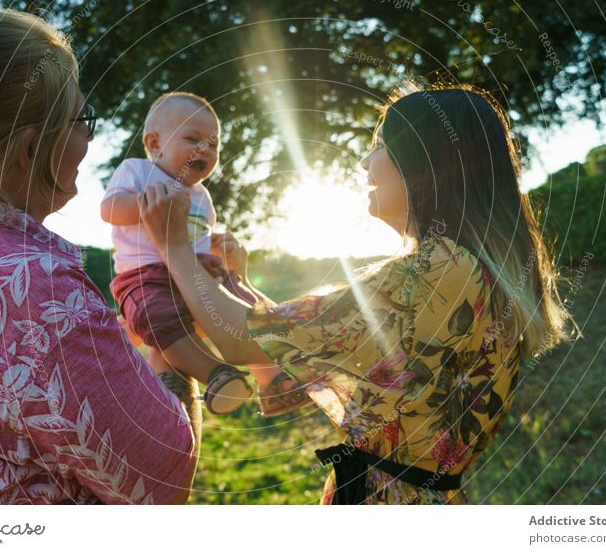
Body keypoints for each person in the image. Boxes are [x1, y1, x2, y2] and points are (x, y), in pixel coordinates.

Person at [137, 83, 574, 504]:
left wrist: (173, 245)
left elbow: (238, 340)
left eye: (380, 145)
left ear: (427, 161)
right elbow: (302, 335)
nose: (366, 162)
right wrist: (240, 282)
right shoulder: (473, 269)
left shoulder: (440, 271)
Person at [0, 9, 195, 504]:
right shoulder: (38, 290)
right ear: (30, 149)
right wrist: (173, 334)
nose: (90, 137)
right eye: (82, 118)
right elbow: (163, 477)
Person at [101, 92, 308, 415]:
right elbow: (110, 210)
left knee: (241, 297)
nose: (205, 150)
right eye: (192, 139)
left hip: (194, 272)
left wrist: (215, 251)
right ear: (155, 144)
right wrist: (148, 206)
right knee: (157, 317)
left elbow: (197, 237)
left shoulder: (201, 196)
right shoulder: (138, 171)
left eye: (213, 145)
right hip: (146, 277)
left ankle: (271, 378)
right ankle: (215, 373)